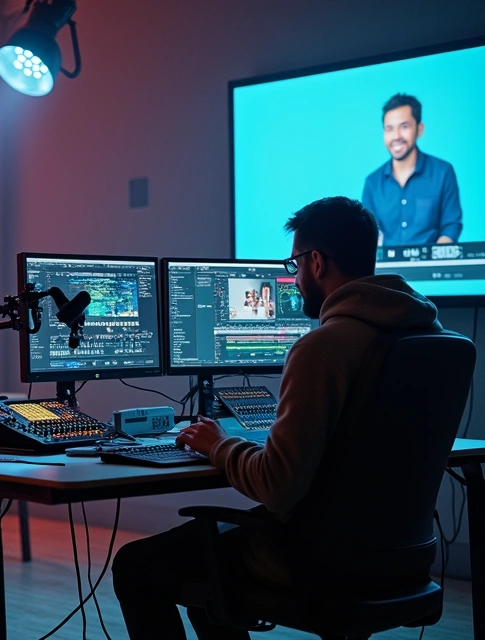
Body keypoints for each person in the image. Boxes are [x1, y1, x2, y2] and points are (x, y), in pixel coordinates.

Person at [111, 196, 441, 639]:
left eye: (295, 264)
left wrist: (218, 444)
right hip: (401, 556)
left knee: (136, 565)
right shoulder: (429, 338)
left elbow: (278, 486)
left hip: (318, 555)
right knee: (205, 582)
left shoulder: (323, 348)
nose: (295, 277)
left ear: (317, 262)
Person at [361, 93, 462, 247]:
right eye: (389, 129)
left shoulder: (443, 172)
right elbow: (367, 233)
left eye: (404, 126)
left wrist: (433, 262)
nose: (396, 136)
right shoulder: (372, 182)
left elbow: (451, 225)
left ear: (419, 129)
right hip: (385, 269)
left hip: (432, 267)